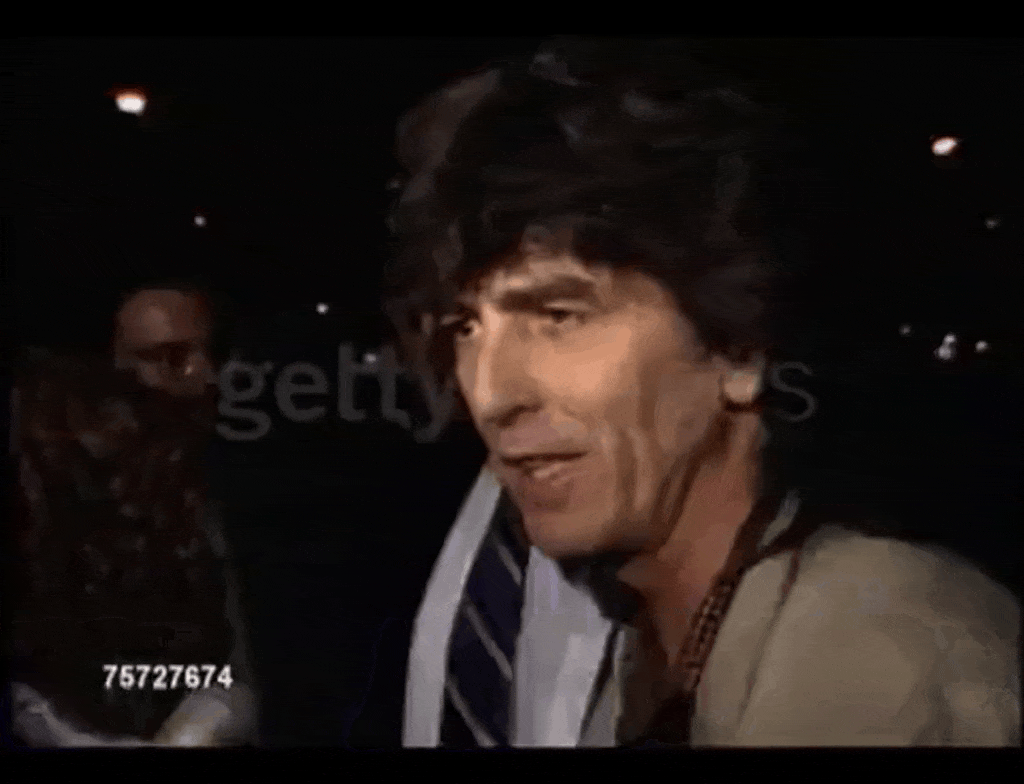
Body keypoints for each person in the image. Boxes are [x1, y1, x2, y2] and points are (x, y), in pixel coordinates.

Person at [365, 37, 1020, 747]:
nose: (491, 394)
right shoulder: (650, 642)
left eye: (558, 316)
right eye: (465, 327)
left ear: (738, 345)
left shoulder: (874, 651)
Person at [7, 279, 258, 747]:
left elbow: (244, 664)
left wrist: (207, 719)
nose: (204, 375)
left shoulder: (225, 487)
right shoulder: (40, 486)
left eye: (212, 355)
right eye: (169, 357)